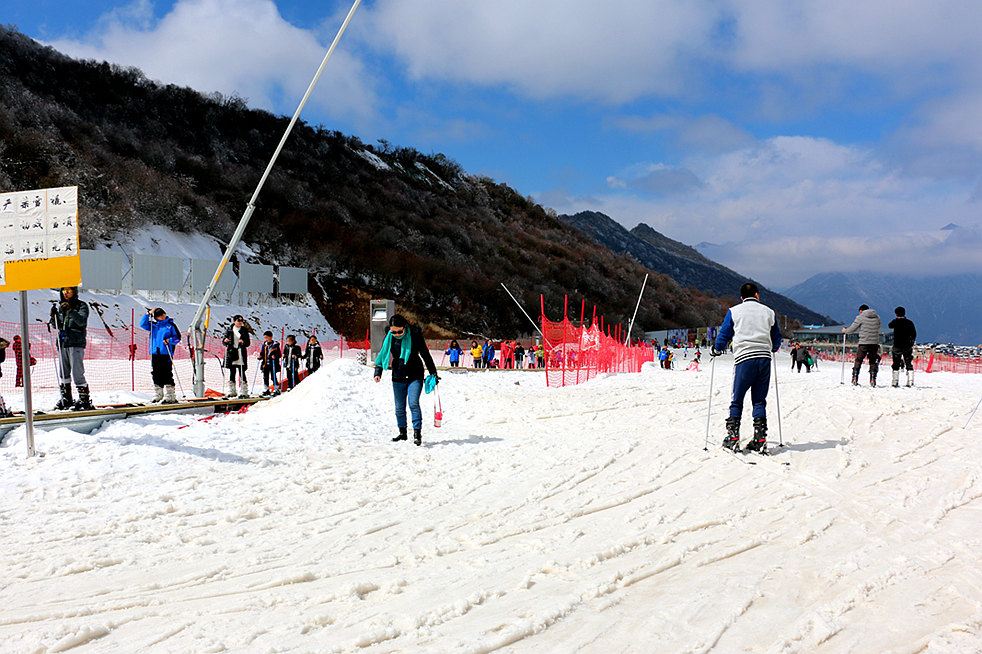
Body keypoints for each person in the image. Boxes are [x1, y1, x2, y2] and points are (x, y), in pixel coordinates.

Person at [713, 282, 782, 453]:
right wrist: (772, 348)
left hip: (744, 358)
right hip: (764, 359)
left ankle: (733, 436)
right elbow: (776, 338)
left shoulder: (734, 311)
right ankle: (759, 438)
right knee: (759, 400)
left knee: (737, 398)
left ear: (741, 297)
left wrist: (717, 348)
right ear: (757, 295)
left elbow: (725, 333)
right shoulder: (769, 312)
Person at [373, 314, 437, 446]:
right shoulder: (389, 337)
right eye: (393, 331)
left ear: (405, 327)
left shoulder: (414, 335)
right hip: (398, 374)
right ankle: (402, 433)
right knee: (399, 408)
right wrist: (378, 372)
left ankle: (417, 434)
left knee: (413, 403)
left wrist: (433, 373)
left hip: (415, 374)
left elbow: (425, 354)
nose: (396, 334)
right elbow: (382, 354)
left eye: (399, 331)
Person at [49, 286, 92, 410]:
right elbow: (57, 326)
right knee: (63, 371)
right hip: (63, 342)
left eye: (69, 290)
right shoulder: (61, 306)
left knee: (77, 372)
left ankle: (84, 399)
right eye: (64, 290)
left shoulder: (81, 305)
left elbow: (81, 321)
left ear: (74, 292)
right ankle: (66, 398)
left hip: (76, 342)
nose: (66, 292)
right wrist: (54, 317)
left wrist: (70, 310)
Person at [138, 308, 181, 404]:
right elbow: (142, 324)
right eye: (158, 316)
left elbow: (177, 338)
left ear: (165, 314)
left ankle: (170, 395)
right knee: (156, 373)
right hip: (155, 353)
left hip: (166, 353)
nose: (161, 317)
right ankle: (159, 394)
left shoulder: (170, 326)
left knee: (166, 373)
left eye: (162, 314)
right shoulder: (154, 325)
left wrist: (169, 341)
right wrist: (148, 313)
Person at [842, 304, 882, 387]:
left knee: (858, 360)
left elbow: (852, 329)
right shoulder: (877, 317)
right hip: (874, 343)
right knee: (872, 361)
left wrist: (845, 330)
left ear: (861, 311)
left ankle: (855, 378)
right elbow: (878, 327)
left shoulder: (860, 317)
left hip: (863, 342)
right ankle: (872, 379)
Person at [223, 315, 251, 398]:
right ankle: (232, 391)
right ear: (234, 321)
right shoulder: (229, 330)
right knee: (232, 371)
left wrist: (243, 341)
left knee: (242, 371)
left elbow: (248, 343)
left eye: (241, 321)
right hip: (232, 352)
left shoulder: (244, 330)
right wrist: (225, 341)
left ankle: (244, 391)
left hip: (240, 352)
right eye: (238, 321)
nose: (240, 322)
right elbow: (224, 341)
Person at [889, 306, 917, 388]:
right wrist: (911, 342)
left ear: (896, 314)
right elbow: (914, 334)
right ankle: (910, 381)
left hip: (897, 345)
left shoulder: (895, 322)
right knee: (908, 362)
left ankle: (895, 381)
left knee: (896, 363)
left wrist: (896, 319)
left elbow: (889, 325)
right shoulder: (909, 322)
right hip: (907, 346)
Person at [258, 331, 282, 396]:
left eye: (267, 337)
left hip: (273, 363)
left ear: (271, 337)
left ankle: (277, 389)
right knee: (265, 377)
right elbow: (262, 352)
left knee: (273, 376)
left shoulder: (275, 345)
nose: (265, 339)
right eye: (264, 337)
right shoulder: (264, 344)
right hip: (265, 363)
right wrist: (260, 356)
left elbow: (279, 354)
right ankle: (266, 389)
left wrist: (275, 356)